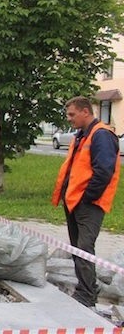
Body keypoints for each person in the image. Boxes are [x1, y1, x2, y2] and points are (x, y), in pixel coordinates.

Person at [52, 96, 120, 307]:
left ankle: (87, 294)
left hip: (88, 204)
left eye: (72, 114)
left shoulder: (101, 135)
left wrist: (87, 198)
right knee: (77, 248)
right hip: (75, 201)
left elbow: (104, 171)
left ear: (85, 112)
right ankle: (86, 288)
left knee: (84, 248)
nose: (69, 119)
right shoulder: (82, 135)